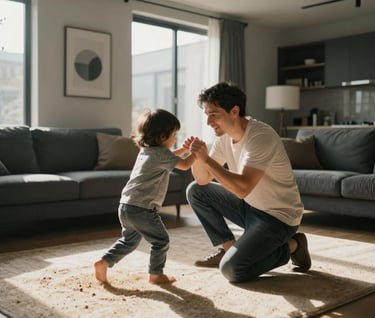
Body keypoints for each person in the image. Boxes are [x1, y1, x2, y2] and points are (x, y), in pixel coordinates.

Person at [186, 82, 311, 283]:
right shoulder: (224, 138)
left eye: (214, 114)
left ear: (234, 111)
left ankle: (293, 245)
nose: (208, 121)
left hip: (278, 218)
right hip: (250, 207)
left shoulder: (261, 136)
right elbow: (202, 179)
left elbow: (242, 188)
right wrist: (198, 157)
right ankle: (227, 248)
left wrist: (207, 159)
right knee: (196, 191)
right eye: (207, 115)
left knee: (232, 270)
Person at [95, 108, 196, 285]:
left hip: (126, 206)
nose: (175, 139)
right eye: (174, 135)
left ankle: (104, 262)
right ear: (163, 136)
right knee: (161, 241)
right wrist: (196, 151)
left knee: (129, 241)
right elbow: (186, 165)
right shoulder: (162, 154)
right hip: (143, 209)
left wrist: (183, 149)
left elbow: (169, 157)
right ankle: (156, 275)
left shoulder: (147, 151)